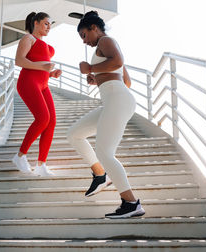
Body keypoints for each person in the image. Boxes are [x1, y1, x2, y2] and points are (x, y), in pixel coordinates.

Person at [67, 11, 145, 218]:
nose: (85, 42)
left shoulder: (105, 40)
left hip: (118, 100)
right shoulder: (104, 45)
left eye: (84, 35)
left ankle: (131, 203)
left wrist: (91, 68)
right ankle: (100, 175)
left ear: (94, 28)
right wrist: (98, 77)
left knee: (105, 151)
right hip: (115, 99)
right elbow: (125, 79)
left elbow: (118, 61)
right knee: (74, 133)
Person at [12, 12, 62, 176]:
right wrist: (43, 67)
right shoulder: (28, 39)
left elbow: (40, 66)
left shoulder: (45, 46)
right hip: (28, 83)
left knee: (51, 121)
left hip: (43, 84)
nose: (49, 27)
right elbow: (19, 61)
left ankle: (41, 165)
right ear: (36, 23)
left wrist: (50, 74)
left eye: (50, 24)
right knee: (43, 118)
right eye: (46, 23)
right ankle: (20, 155)